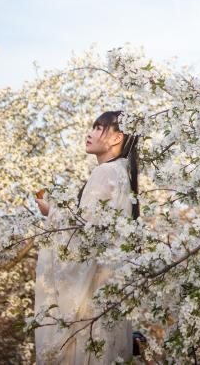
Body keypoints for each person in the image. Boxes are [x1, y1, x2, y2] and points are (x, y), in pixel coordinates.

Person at [33, 111, 139, 364]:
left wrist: (52, 212)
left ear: (117, 138)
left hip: (92, 292)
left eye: (98, 127)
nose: (89, 133)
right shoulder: (124, 174)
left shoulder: (105, 173)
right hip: (108, 291)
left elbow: (85, 237)